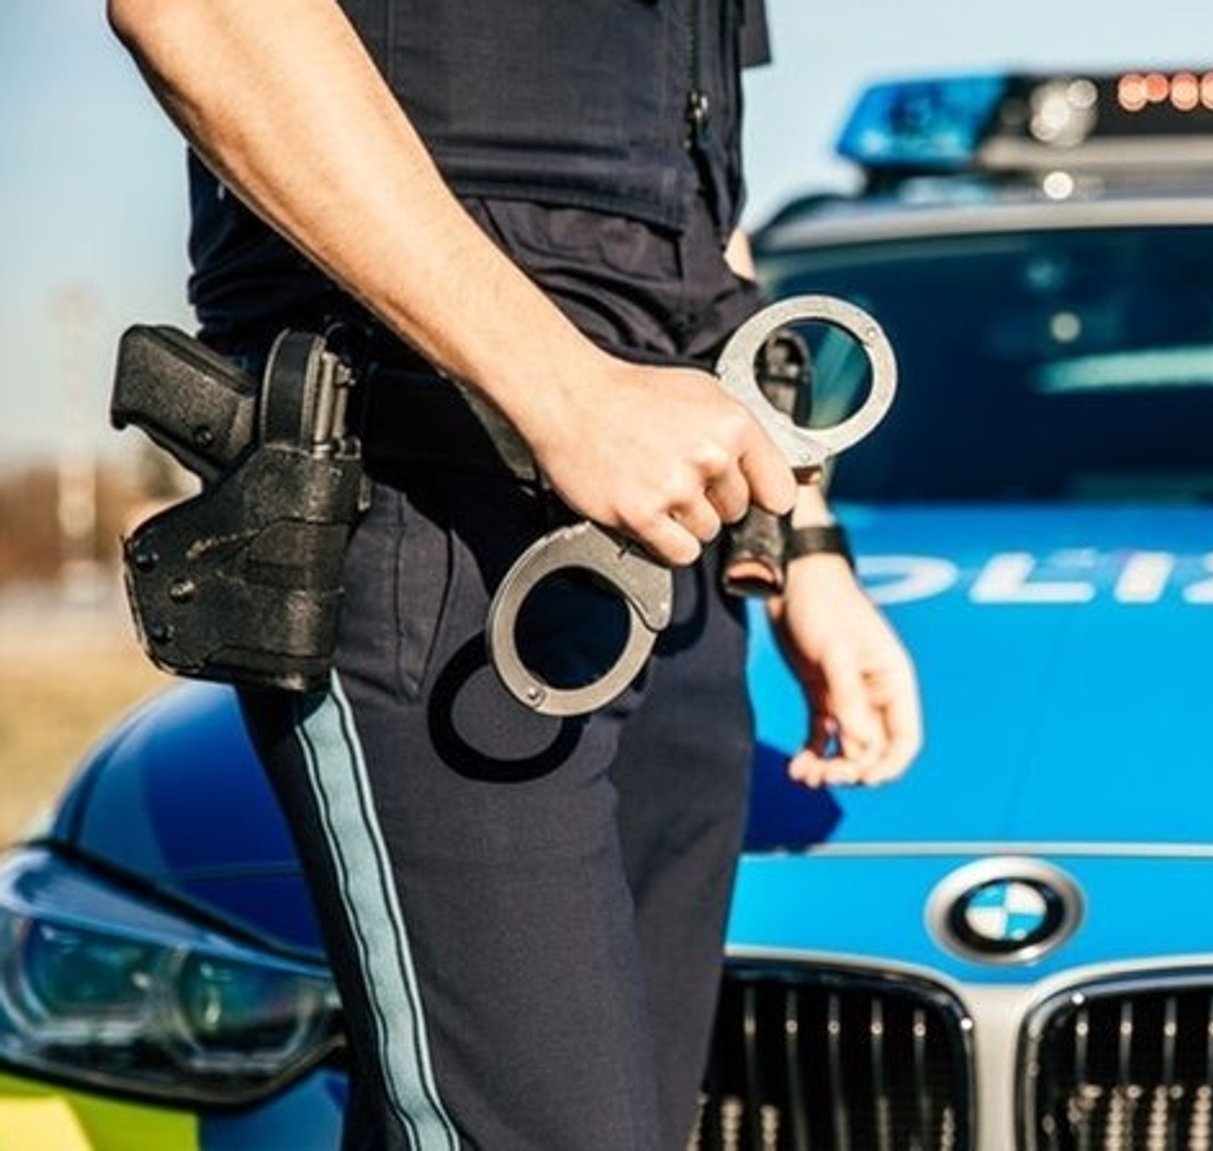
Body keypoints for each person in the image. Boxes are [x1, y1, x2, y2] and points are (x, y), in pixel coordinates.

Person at [106, 1, 923, 1148]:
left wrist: (802, 542)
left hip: (670, 555)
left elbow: (697, 218)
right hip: (431, 517)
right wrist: (563, 391)